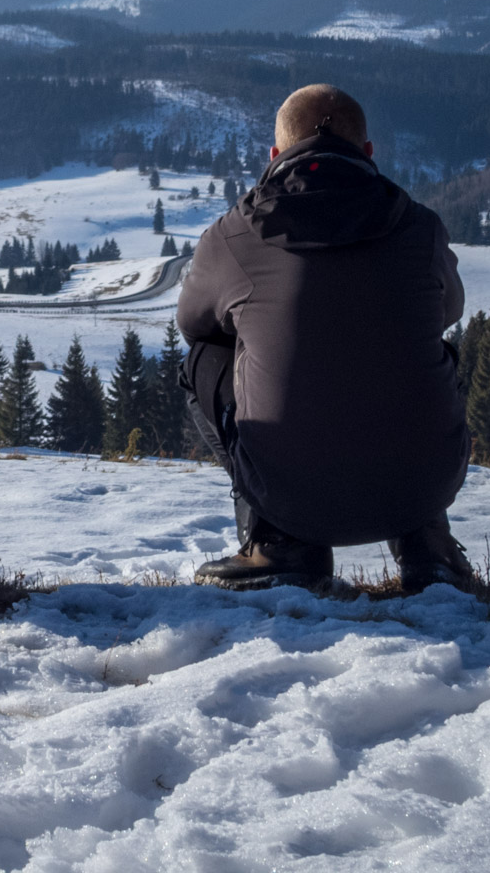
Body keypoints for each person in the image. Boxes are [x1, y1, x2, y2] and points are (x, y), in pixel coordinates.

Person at [176, 83, 472, 592]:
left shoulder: (236, 235)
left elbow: (193, 324)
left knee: (205, 357)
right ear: (368, 153)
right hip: (424, 486)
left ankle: (277, 544)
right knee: (430, 350)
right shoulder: (420, 228)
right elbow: (448, 312)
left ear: (275, 155)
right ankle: (427, 543)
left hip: (290, 493)